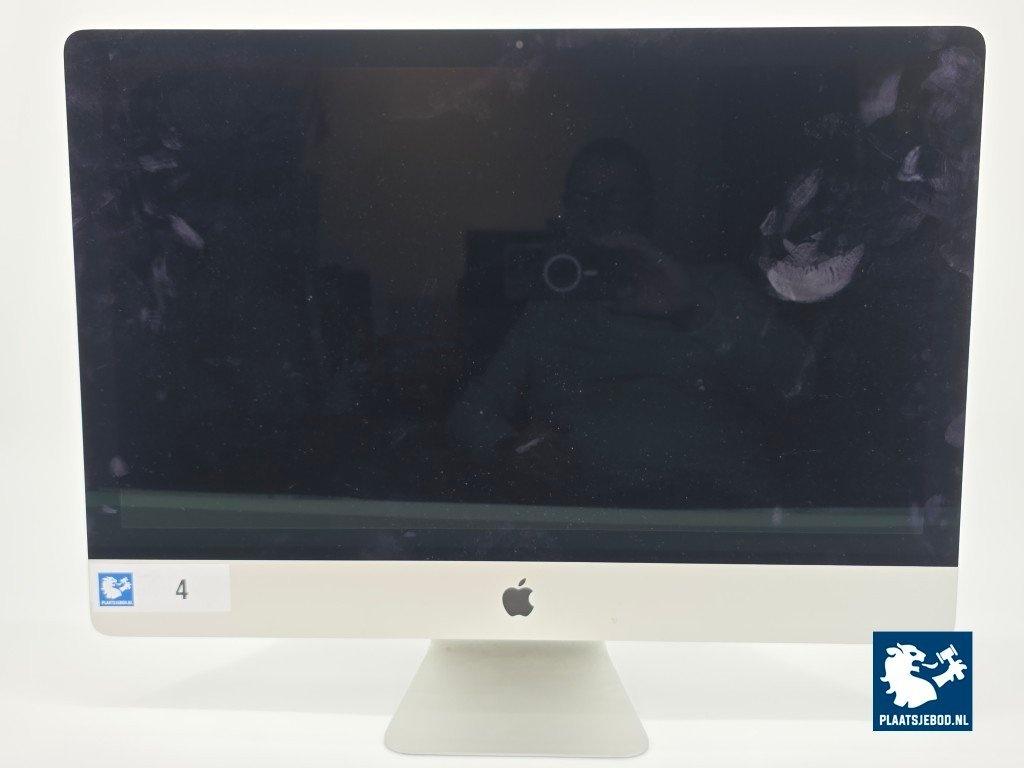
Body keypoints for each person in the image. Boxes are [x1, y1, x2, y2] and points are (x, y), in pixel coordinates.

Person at [449, 139, 809, 508]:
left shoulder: (716, 287)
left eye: (616, 198)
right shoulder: (550, 309)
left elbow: (793, 385)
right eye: (583, 199)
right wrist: (511, 448)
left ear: (647, 208)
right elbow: (474, 409)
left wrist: (692, 309)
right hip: (594, 512)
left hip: (716, 509)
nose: (598, 212)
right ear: (567, 211)